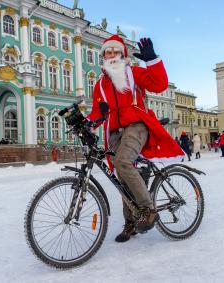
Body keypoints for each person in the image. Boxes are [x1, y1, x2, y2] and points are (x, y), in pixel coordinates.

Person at [87, 35, 184, 242]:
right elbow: (97, 112)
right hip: (114, 133)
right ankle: (130, 221)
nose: (111, 55)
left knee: (122, 162)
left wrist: (152, 60)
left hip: (136, 126)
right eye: (107, 52)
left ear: (122, 54)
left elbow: (159, 84)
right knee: (121, 177)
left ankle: (148, 210)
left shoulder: (134, 73)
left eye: (115, 51)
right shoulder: (100, 85)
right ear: (103, 56)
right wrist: (86, 123)